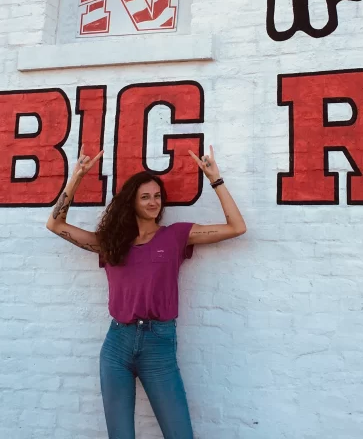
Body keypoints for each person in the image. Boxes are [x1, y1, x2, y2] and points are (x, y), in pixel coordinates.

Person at [45, 146, 246, 439]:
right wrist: (76, 177)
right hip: (116, 344)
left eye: (157, 196)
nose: (153, 202)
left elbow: (236, 227)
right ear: (132, 202)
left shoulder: (176, 235)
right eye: (145, 197)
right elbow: (55, 224)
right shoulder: (111, 243)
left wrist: (216, 179)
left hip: (158, 345)